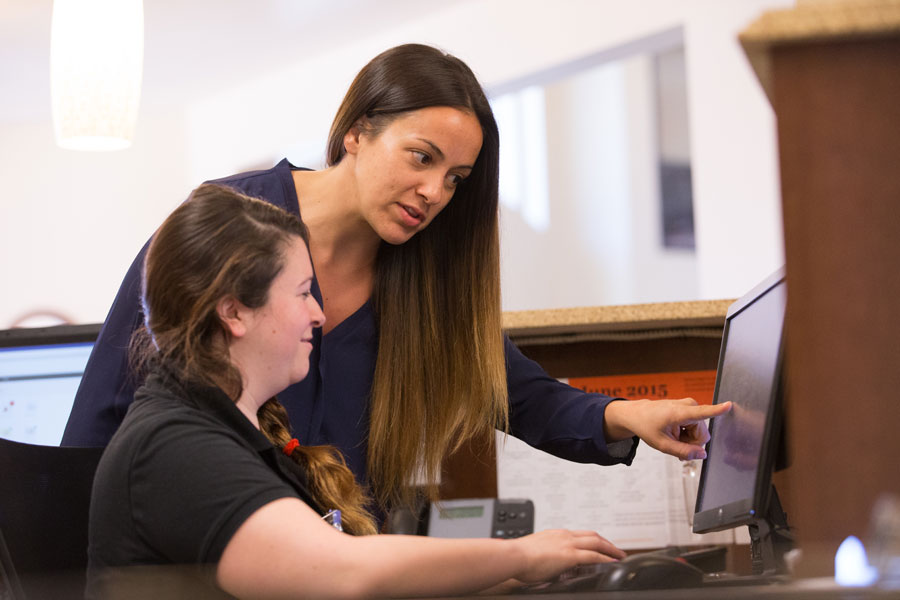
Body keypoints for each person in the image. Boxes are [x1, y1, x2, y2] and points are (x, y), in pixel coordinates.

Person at [65, 43, 730, 514]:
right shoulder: (227, 220)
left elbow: (518, 394)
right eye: (421, 157)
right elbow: (104, 409)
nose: (434, 191)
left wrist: (629, 414)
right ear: (357, 133)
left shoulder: (420, 281)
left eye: (454, 179)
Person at [86, 184, 627, 599]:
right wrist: (520, 557)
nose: (319, 314)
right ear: (234, 312)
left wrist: (502, 579)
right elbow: (344, 573)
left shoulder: (234, 432)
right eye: (302, 293)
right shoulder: (176, 448)